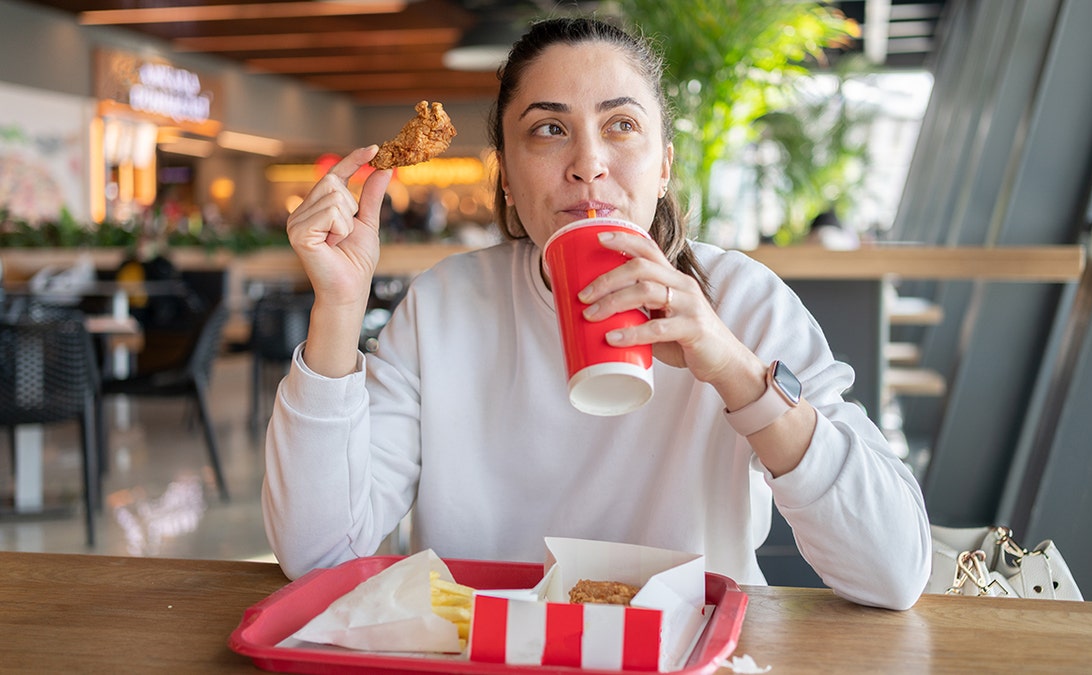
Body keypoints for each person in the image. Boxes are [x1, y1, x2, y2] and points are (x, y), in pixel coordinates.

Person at [263, 17, 930, 610]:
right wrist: (340, 307)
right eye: (549, 130)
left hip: (684, 653)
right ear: (506, 175)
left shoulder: (742, 301)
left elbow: (894, 570)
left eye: (622, 125)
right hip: (484, 655)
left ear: (663, 165)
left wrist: (736, 372)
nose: (588, 164)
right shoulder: (444, 306)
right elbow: (319, 553)